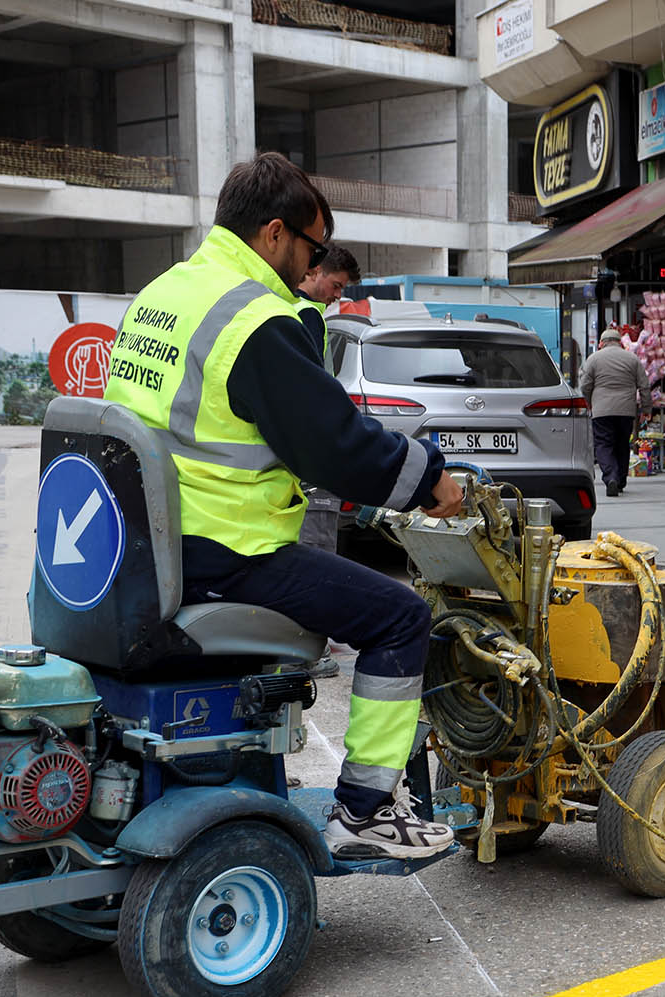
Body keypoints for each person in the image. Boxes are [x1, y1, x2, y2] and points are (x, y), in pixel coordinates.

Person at [102, 152, 462, 859]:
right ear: (273, 233)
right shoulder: (254, 317)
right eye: (313, 246)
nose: (314, 264)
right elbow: (335, 445)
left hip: (145, 543)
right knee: (400, 616)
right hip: (223, 550)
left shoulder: (165, 292)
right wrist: (431, 481)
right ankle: (365, 815)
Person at [291, 242, 361, 556]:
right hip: (312, 464)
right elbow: (313, 392)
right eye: (336, 286)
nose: (338, 296)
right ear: (316, 271)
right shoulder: (307, 315)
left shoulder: (285, 306)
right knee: (316, 551)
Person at [577, 326, 647, 497]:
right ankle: (621, 481)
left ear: (601, 343)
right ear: (620, 343)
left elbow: (585, 385)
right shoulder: (632, 359)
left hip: (601, 410)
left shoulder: (593, 359)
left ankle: (610, 478)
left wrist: (588, 403)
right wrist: (646, 408)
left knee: (603, 444)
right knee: (622, 445)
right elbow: (644, 385)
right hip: (626, 411)